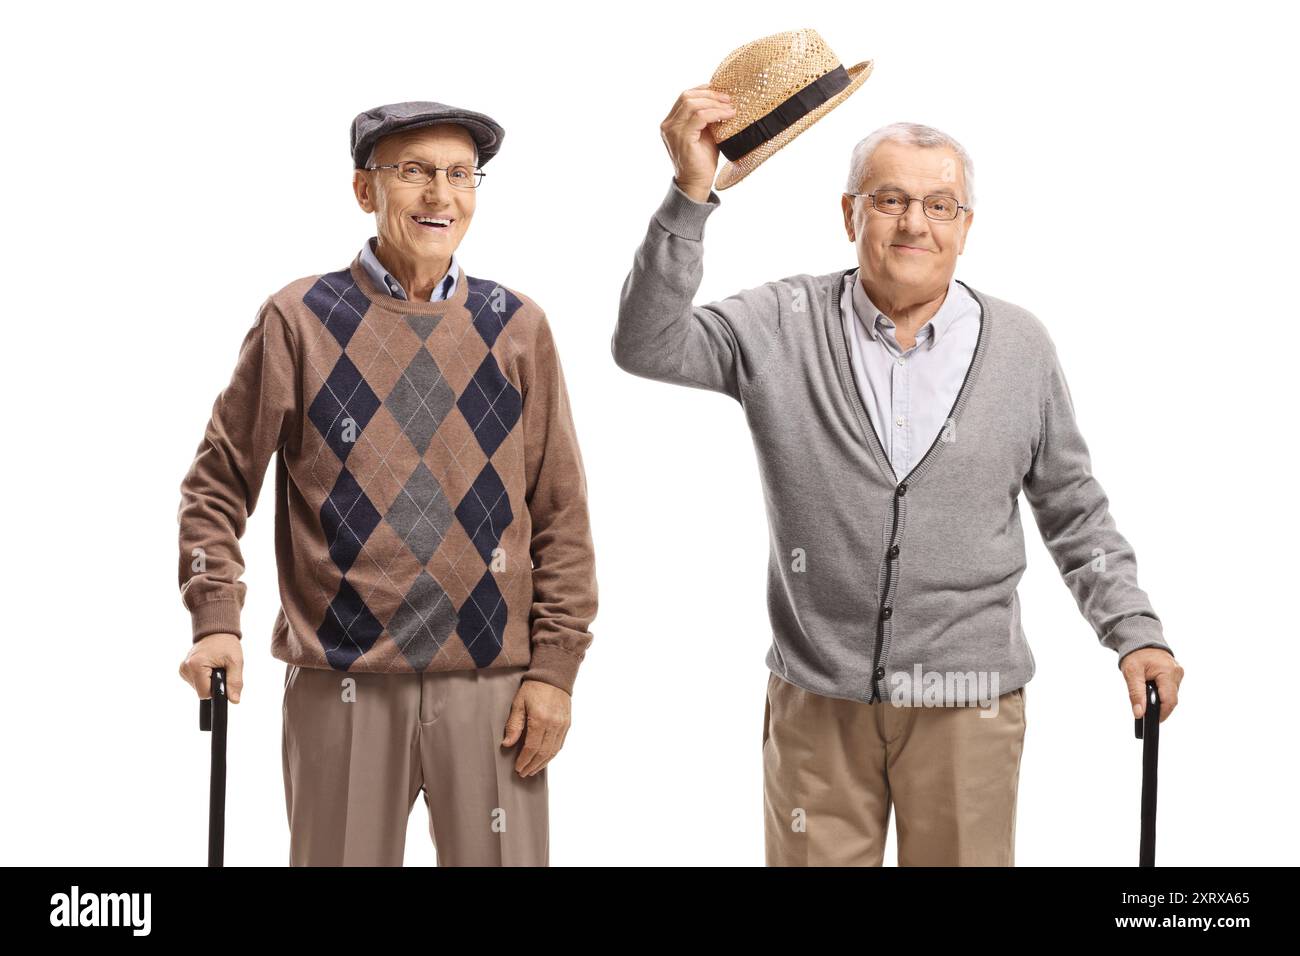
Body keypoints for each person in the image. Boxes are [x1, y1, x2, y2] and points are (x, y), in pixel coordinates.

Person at [611, 86, 1183, 866]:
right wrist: (689, 194)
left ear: (966, 227)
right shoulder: (780, 323)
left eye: (940, 205)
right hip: (817, 703)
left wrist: (1134, 634)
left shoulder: (1021, 346)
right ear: (849, 214)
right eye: (890, 200)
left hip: (968, 699)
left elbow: (1073, 510)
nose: (915, 222)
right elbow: (646, 342)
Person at [177, 101, 598, 866]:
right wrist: (215, 618)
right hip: (342, 680)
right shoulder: (298, 319)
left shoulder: (518, 326)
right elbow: (217, 482)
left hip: (494, 687)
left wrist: (556, 671)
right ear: (364, 191)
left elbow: (559, 511)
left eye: (460, 174)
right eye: (413, 173)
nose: (441, 195)